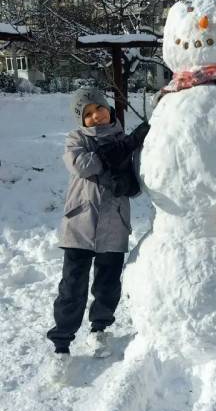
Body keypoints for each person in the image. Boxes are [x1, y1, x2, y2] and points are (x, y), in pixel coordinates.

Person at [47, 86, 149, 378]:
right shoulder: (76, 139)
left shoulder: (126, 141)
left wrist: (127, 174)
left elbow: (137, 183)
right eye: (87, 114)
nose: (94, 116)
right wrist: (124, 147)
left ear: (109, 108)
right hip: (80, 224)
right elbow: (83, 165)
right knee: (72, 287)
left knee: (107, 284)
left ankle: (99, 329)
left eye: (98, 109)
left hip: (114, 225)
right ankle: (61, 344)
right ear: (81, 120)